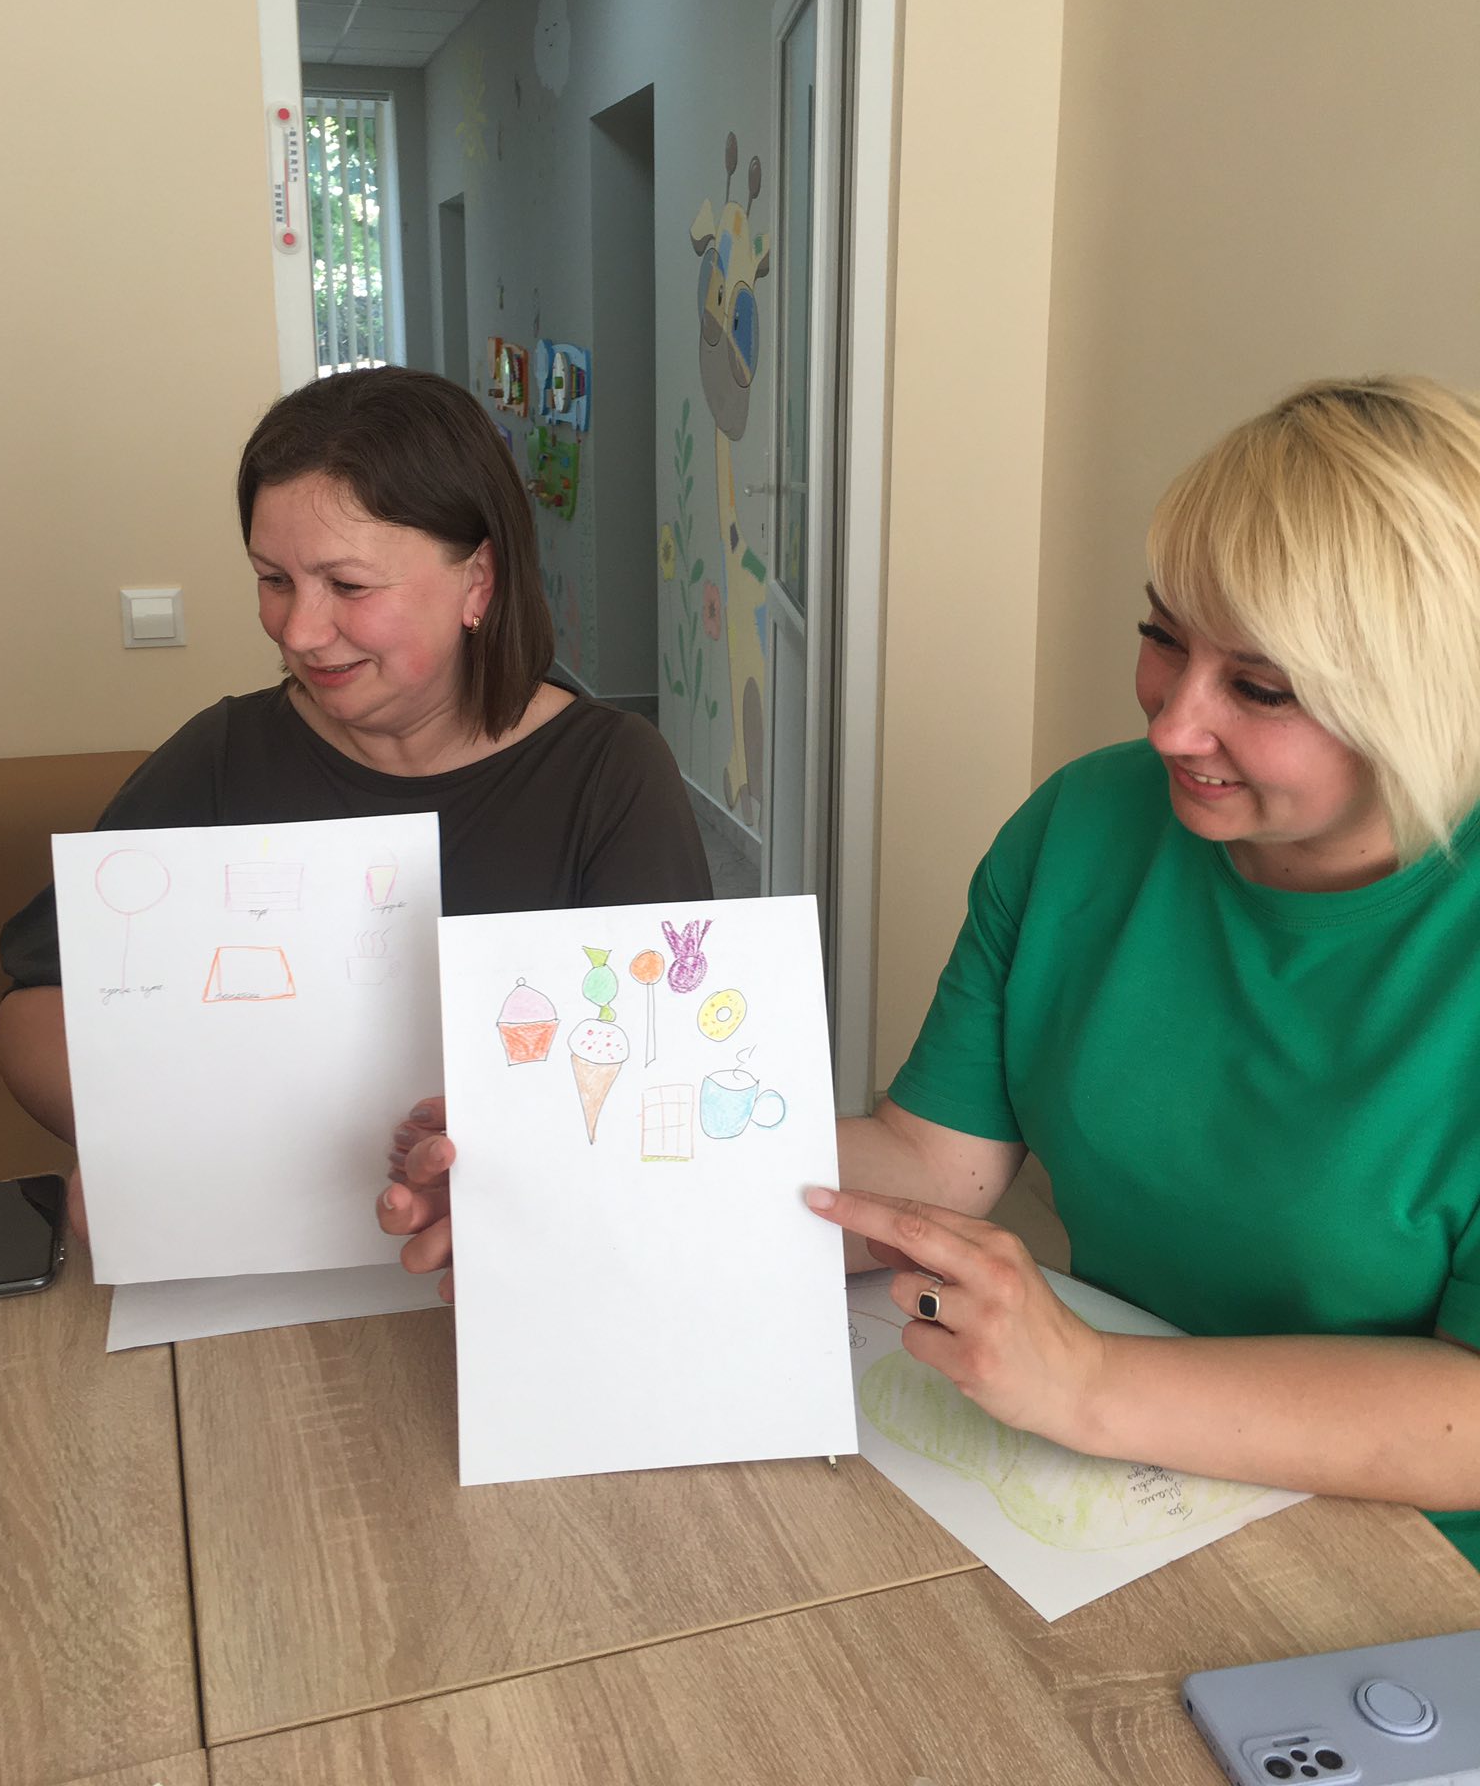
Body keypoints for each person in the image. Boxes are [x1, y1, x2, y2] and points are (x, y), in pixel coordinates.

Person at [383, 375, 1480, 1569]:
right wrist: (577, 1188)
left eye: (1258, 688)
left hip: (1402, 1559)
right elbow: (933, 1164)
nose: (1172, 722)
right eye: (1163, 637)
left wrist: (1092, 1379)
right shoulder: (1088, 825)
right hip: (1131, 1494)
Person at [0, 367, 710, 1213]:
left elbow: (666, 1058)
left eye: (349, 585)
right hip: (262, 1237)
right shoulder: (222, 758)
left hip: (519, 1242)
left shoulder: (609, 774)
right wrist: (136, 1143)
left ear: (478, 581)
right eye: (274, 580)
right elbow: (36, 1004)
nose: (299, 631)